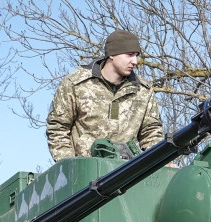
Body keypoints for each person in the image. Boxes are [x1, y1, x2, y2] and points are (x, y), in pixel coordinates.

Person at [46, 30, 165, 161]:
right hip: (86, 172)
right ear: (112, 54)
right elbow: (57, 129)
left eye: (136, 55)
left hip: (130, 171)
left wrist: (160, 161)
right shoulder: (76, 84)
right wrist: (70, 167)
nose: (135, 61)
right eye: (130, 55)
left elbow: (151, 133)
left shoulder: (143, 90)